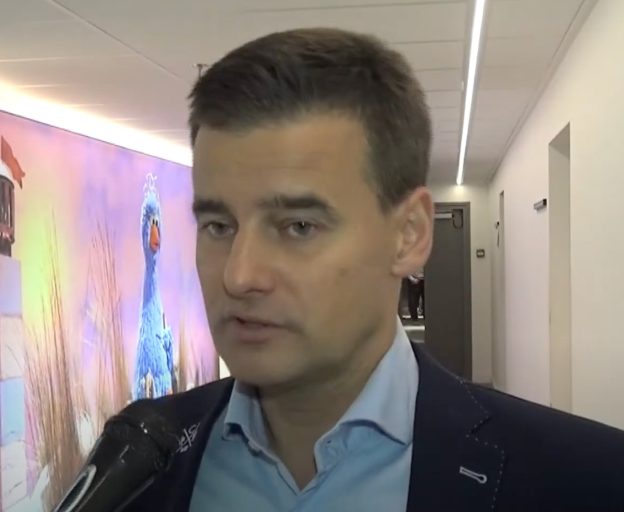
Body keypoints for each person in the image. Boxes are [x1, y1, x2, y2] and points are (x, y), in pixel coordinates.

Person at [126, 28, 624, 511]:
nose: (239, 275)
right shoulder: (133, 463)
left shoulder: (591, 480)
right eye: (218, 226)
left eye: (299, 226)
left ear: (409, 235)